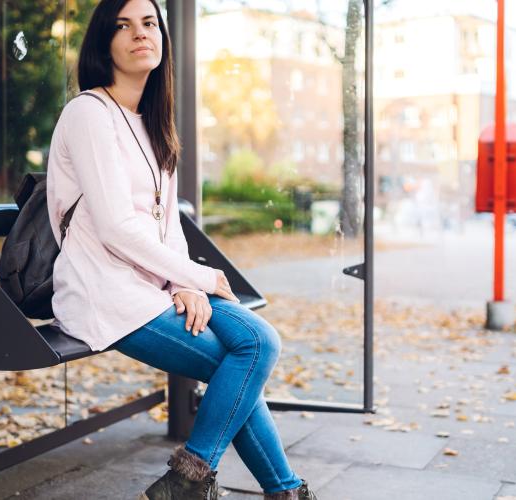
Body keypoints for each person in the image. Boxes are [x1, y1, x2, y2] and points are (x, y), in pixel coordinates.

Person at [45, 1, 318, 498]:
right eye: (123, 26)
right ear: (104, 42)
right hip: (106, 294)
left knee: (256, 342)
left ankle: (201, 484)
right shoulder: (88, 113)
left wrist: (182, 282)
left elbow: (166, 226)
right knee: (245, 358)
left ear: (163, 37)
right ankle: (228, 485)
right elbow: (115, 227)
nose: (139, 34)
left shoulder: (153, 123)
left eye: (149, 23)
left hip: (153, 287)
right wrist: (199, 278)